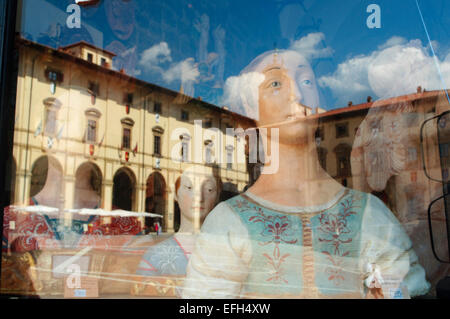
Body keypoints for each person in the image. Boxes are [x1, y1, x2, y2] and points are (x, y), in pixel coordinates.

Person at [182, 49, 430, 299]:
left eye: (307, 82)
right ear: (249, 106)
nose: (297, 94)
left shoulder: (372, 216)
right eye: (276, 83)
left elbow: (410, 289)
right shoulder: (227, 224)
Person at [134, 165, 221, 296]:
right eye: (189, 188)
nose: (199, 197)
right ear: (175, 194)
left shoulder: (227, 252)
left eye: (209, 189)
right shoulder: (154, 255)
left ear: (217, 197)